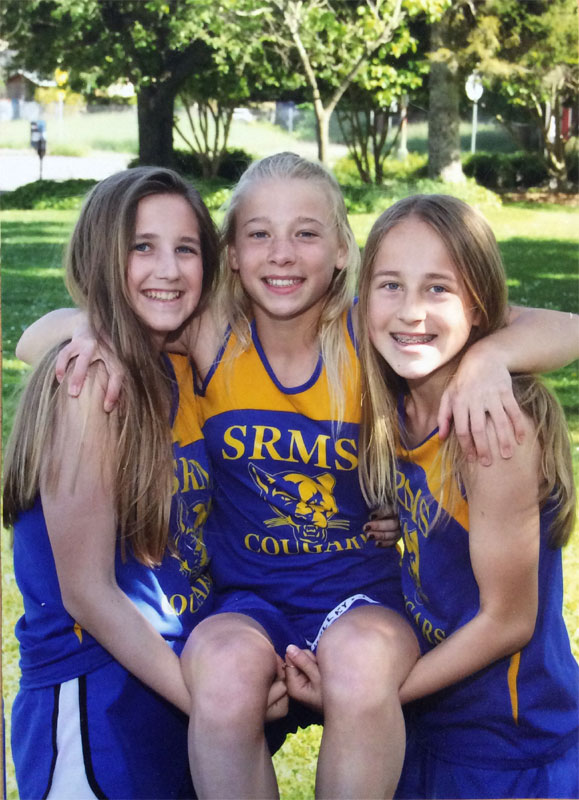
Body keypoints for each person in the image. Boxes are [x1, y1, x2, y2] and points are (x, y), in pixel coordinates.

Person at [17, 154, 579, 799]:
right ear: (231, 255)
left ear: (342, 251)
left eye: (306, 233)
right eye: (259, 234)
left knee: (362, 669)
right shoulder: (210, 335)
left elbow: (561, 328)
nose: (282, 253)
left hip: (359, 599)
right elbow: (34, 339)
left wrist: (490, 357)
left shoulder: (373, 332)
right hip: (247, 602)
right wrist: (91, 327)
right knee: (222, 677)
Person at [3, 167, 222, 799]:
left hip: (168, 681)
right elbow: (87, 595)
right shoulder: (90, 381)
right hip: (96, 696)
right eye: (142, 246)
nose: (168, 269)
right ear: (101, 254)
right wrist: (214, 709)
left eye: (186, 248)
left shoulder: (175, 362)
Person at [353, 193, 578, 799]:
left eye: (438, 289)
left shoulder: (493, 431)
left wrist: (371, 696)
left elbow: (509, 620)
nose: (411, 312)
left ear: (477, 306)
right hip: (431, 723)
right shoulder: (402, 402)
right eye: (391, 285)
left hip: (506, 744)